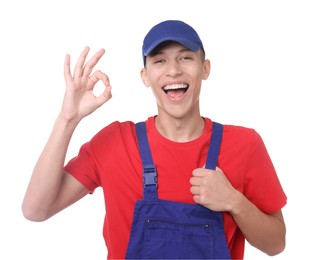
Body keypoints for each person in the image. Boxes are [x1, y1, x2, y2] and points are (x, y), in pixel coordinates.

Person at [22, 20, 287, 259]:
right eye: (159, 60)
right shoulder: (115, 144)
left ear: (205, 68)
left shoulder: (245, 144)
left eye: (185, 58)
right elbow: (36, 210)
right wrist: (67, 119)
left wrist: (234, 201)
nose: (173, 71)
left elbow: (276, 244)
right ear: (145, 76)